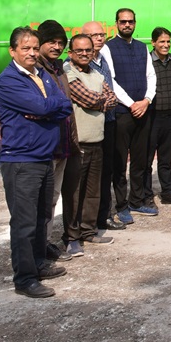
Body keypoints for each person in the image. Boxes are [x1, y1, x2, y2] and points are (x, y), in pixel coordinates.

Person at [0, 26, 73, 298]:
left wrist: (45, 109)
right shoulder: (9, 80)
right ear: (13, 51)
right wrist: (45, 108)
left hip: (44, 157)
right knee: (24, 222)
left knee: (42, 215)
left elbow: (64, 104)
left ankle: (39, 262)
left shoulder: (41, 74)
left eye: (33, 47)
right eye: (25, 48)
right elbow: (44, 107)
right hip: (22, 160)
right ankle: (25, 279)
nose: (31, 52)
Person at [62, 34, 119, 257]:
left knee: (92, 191)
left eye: (88, 50)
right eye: (79, 50)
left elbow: (112, 98)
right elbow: (87, 98)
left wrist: (101, 101)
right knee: (74, 193)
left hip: (98, 140)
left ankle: (88, 230)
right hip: (79, 143)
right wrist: (101, 101)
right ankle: (71, 237)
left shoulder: (96, 73)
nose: (85, 53)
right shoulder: (68, 73)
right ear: (71, 53)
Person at [103, 8, 158, 222]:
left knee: (139, 160)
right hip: (122, 113)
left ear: (135, 23)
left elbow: (150, 76)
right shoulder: (108, 48)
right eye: (123, 21)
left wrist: (146, 100)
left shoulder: (142, 47)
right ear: (116, 23)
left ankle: (137, 201)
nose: (127, 25)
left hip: (143, 111)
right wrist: (131, 103)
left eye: (130, 21)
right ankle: (121, 205)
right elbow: (111, 80)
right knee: (119, 162)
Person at [36, 19, 79, 262]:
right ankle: (39, 247)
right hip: (46, 147)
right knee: (42, 200)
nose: (56, 46)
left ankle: (45, 242)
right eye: (51, 41)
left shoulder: (58, 68)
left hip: (62, 144)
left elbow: (67, 108)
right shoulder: (38, 69)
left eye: (61, 43)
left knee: (52, 199)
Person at [81, 20, 125, 231]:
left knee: (107, 170)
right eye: (93, 35)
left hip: (109, 122)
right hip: (90, 128)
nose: (99, 38)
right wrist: (104, 100)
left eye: (101, 34)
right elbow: (92, 98)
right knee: (90, 176)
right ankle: (87, 221)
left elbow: (110, 94)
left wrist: (105, 100)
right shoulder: (79, 64)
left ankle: (104, 215)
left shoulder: (103, 59)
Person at [146, 27, 171, 206]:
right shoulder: (146, 61)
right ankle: (146, 196)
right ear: (153, 42)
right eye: (161, 41)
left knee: (166, 158)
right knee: (147, 159)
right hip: (151, 117)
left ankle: (168, 192)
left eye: (168, 41)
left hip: (169, 115)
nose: (166, 45)